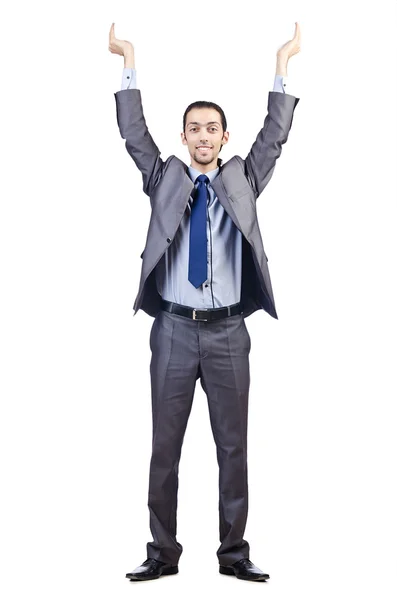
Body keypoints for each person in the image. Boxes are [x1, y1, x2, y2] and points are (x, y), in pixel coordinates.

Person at [109, 21, 301, 583]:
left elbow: (274, 136)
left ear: (223, 136)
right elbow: (134, 133)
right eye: (193, 129)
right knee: (163, 448)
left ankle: (234, 553)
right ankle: (162, 554)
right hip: (170, 331)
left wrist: (283, 66)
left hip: (228, 336)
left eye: (211, 129)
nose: (202, 137)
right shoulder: (165, 176)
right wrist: (127, 59)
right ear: (185, 135)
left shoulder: (243, 178)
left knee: (233, 449)